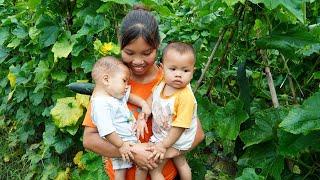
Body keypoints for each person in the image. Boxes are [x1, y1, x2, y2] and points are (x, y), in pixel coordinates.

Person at [82, 6, 205, 180]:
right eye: (129, 53)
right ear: (120, 46)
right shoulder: (111, 81)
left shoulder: (171, 80)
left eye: (147, 53)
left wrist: (158, 153)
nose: (138, 61)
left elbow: (197, 134)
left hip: (165, 174)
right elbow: (89, 139)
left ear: (157, 46)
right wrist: (133, 152)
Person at [137, 42, 197, 180]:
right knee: (180, 162)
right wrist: (143, 115)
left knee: (154, 170)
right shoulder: (162, 83)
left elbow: (180, 126)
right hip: (165, 133)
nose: (178, 75)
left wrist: (163, 146)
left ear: (193, 72)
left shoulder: (185, 97)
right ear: (163, 69)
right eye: (173, 69)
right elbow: (152, 98)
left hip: (177, 138)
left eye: (185, 70)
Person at [89, 56, 150, 180]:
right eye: (124, 81)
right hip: (121, 143)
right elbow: (107, 131)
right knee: (122, 172)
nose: (127, 86)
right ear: (106, 79)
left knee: (141, 166)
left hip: (128, 141)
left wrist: (144, 104)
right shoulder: (100, 104)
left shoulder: (113, 95)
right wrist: (121, 146)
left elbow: (130, 97)